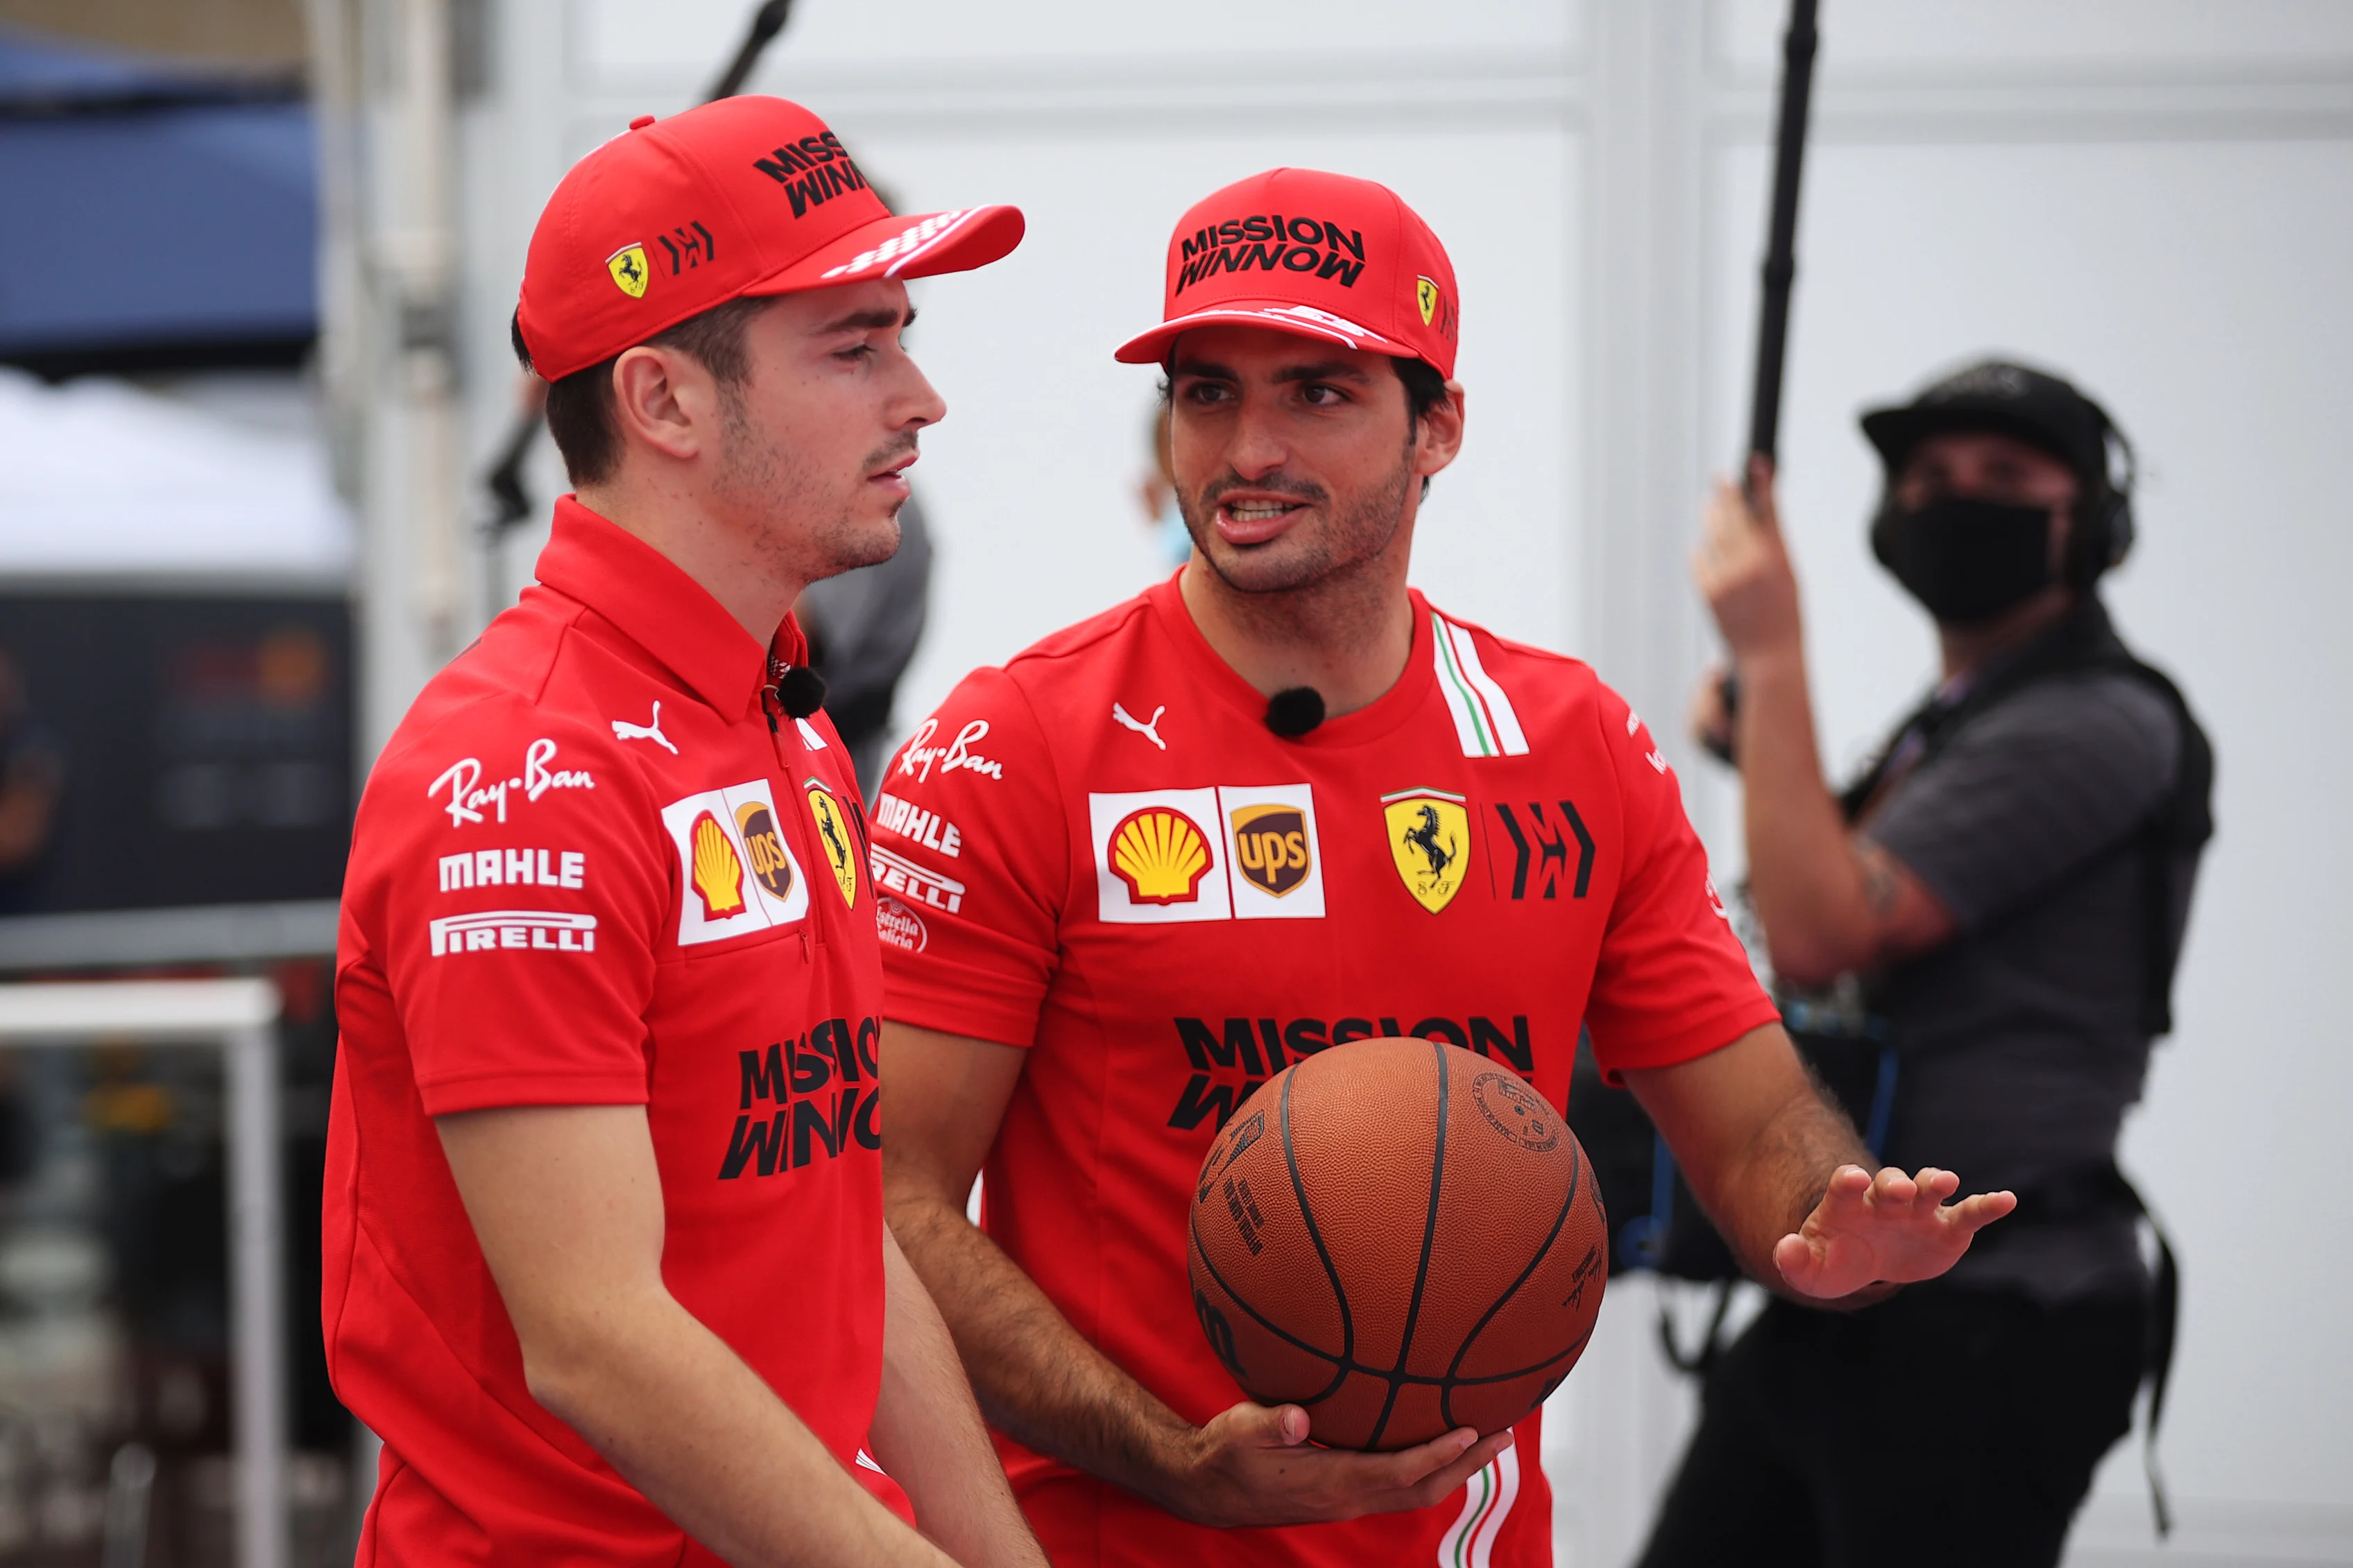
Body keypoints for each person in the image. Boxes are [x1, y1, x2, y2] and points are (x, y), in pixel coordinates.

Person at [874, 167, 2014, 1568]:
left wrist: (1821, 1217)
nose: (1247, 448)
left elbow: (1753, 1115)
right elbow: (888, 1200)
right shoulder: (1018, 740)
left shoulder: (1572, 743)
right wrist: (1172, 1459)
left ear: (1440, 426)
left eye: (1319, 391)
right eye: (1207, 390)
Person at [325, 95, 1044, 1567]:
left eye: (903, 334)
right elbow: (598, 1341)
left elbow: (844, 1223)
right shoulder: (521, 771)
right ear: (661, 400)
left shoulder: (778, 712)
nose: (920, 397)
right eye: (856, 346)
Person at [1645, 360, 2212, 1567]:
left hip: (1994, 1322)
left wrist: (1777, 658)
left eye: (2005, 477)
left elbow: (1823, 932)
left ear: (2094, 524)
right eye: (1929, 477)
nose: (1954, 498)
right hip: (1862, 1289)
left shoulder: (2100, 723)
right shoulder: (1963, 715)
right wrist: (1773, 754)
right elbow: (1853, 886)